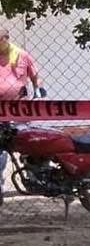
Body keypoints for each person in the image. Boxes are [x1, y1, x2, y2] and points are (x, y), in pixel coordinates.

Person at [0, 29, 46, 193]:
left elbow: (36, 77)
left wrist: (39, 90)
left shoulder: (22, 55)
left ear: (6, 39)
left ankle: (34, 180)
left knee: (28, 143)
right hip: (0, 112)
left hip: (19, 109)